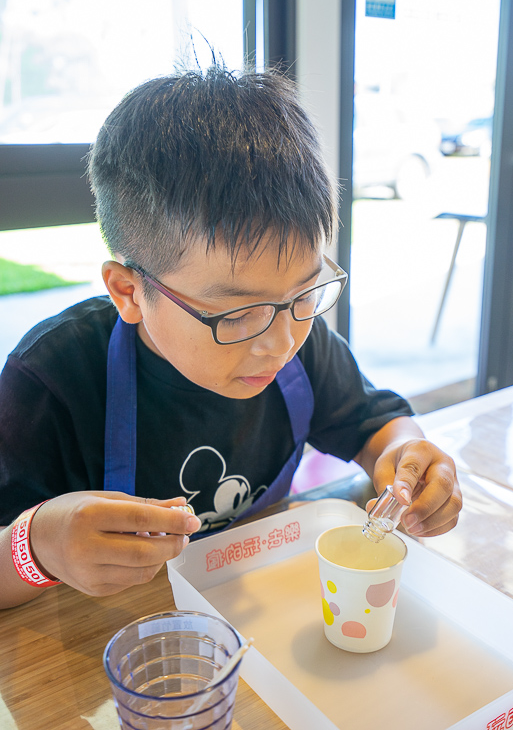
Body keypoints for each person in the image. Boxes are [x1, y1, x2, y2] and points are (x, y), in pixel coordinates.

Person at [0, 66, 461, 609]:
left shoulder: (298, 343)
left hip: (261, 613)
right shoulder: (52, 379)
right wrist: (38, 547)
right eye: (236, 315)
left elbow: (375, 424)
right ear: (128, 292)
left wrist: (410, 460)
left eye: (304, 294)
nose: (280, 341)